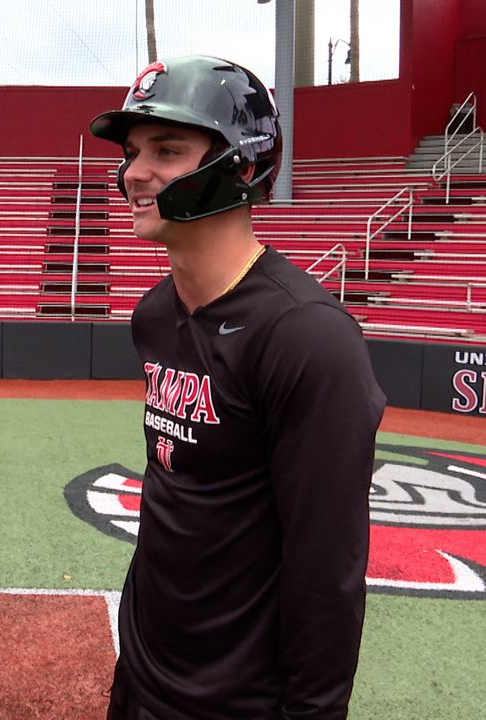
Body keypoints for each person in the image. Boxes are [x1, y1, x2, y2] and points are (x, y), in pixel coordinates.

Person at [88, 56, 386, 719]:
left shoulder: (309, 340)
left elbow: (326, 573)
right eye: (134, 151)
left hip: (238, 702)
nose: (135, 172)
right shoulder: (155, 315)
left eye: (167, 150)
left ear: (242, 167)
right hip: (144, 676)